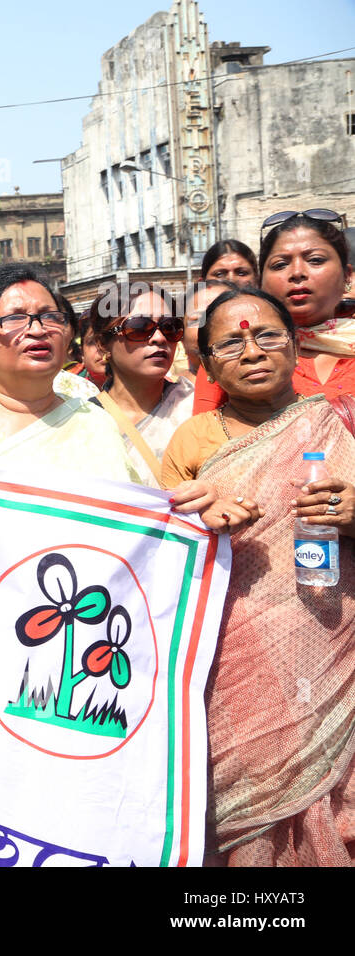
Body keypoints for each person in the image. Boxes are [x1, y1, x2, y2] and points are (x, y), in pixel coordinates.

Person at [158, 286, 355, 866]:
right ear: (208, 365)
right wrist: (201, 519)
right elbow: (158, 550)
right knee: (254, 799)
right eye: (231, 344)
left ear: (295, 348)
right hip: (232, 659)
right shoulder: (193, 440)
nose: (253, 352)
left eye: (268, 335)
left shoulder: (337, 419)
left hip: (335, 645)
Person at [0, 265, 139, 482]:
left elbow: (129, 512)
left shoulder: (95, 421)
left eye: (50, 317)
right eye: (14, 318)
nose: (38, 330)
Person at [193, 210, 355, 411]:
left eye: (315, 260)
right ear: (262, 281)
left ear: (347, 275)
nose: (297, 273)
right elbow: (206, 436)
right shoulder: (229, 353)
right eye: (280, 264)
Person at [84, 282, 195, 486]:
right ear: (103, 344)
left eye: (170, 327)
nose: (159, 338)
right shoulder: (81, 422)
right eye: (139, 328)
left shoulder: (196, 406)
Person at [177, 279, 235, 379]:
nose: (209, 327)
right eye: (198, 320)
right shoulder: (167, 393)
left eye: (224, 316)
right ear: (182, 337)